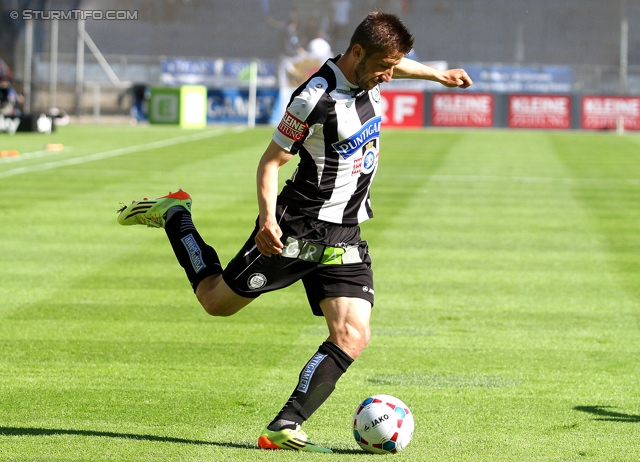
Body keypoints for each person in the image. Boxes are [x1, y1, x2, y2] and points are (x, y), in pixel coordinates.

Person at [117, 11, 472, 453]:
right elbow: (270, 162)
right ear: (357, 53)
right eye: (383, 66)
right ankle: (176, 216)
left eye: (392, 67)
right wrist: (267, 220)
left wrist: (438, 75)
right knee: (215, 302)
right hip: (296, 230)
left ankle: (284, 425)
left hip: (345, 234)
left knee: (353, 334)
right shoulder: (313, 98)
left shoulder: (371, 73)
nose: (388, 75)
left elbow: (396, 65)